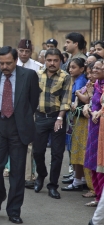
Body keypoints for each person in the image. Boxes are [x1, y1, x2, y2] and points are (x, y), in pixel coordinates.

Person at [0, 46, 39, 224]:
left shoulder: (29, 76)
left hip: (19, 128)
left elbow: (33, 101)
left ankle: (14, 210)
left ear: (16, 61)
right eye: (1, 63)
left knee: (17, 172)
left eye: (8, 63)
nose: (5, 66)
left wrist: (23, 119)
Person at [33, 48, 72, 199]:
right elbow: (32, 96)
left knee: (57, 153)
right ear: (44, 60)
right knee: (38, 151)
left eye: (56, 60)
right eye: (49, 60)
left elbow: (66, 99)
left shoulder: (65, 77)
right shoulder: (37, 74)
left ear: (60, 61)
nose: (52, 63)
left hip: (57, 117)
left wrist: (60, 118)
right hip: (40, 117)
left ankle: (53, 185)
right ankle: (41, 175)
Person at [16, 39, 42, 189]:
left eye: (27, 51)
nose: (24, 54)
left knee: (29, 143)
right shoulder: (12, 65)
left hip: (30, 110)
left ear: (31, 51)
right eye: (21, 51)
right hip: (12, 110)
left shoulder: (38, 68)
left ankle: (28, 176)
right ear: (17, 50)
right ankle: (13, 170)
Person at [61, 58, 88, 192]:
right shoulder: (76, 80)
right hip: (74, 117)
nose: (70, 70)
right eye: (70, 67)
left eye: (74, 67)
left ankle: (79, 179)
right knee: (73, 147)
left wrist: (76, 97)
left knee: (76, 147)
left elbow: (79, 100)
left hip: (79, 118)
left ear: (82, 69)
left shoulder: (81, 81)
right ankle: (78, 177)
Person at [83, 59, 104, 207]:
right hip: (93, 127)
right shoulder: (96, 85)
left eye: (98, 68)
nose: (94, 71)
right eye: (93, 68)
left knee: (101, 163)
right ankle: (98, 196)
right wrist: (87, 106)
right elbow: (92, 102)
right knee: (92, 161)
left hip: (102, 128)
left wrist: (100, 111)